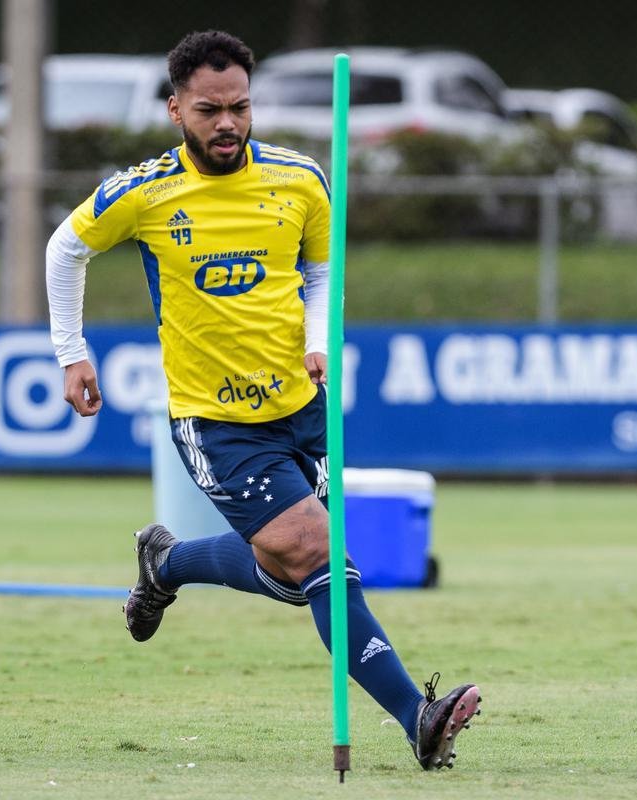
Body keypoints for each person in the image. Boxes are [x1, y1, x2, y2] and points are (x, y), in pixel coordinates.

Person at [45, 30, 480, 771]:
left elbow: (319, 271)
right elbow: (66, 247)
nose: (228, 124)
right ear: (176, 109)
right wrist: (70, 352)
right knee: (318, 557)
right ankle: (417, 716)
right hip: (215, 423)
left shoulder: (300, 179)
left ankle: (167, 564)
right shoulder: (145, 191)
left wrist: (318, 337)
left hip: (299, 407)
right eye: (210, 110)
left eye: (240, 107)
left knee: (296, 573)